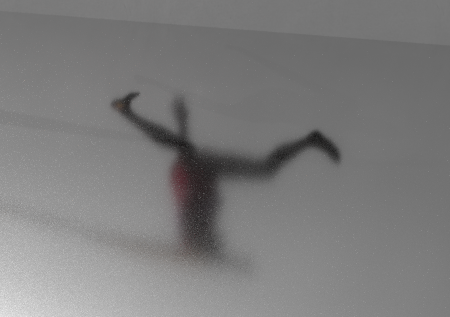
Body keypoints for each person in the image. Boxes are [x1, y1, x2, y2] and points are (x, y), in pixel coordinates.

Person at [111, 92, 339, 258]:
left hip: (197, 178)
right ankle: (310, 141)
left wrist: (181, 120)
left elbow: (184, 150)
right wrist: (182, 120)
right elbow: (184, 149)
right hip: (202, 175)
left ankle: (126, 111)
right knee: (265, 169)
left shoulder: (191, 197)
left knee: (186, 150)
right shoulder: (195, 206)